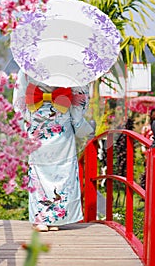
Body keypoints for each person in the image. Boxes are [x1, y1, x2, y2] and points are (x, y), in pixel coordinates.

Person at [12, 70, 94, 232]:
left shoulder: (28, 67)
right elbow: (80, 98)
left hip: (37, 121)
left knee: (39, 169)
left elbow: (20, 96)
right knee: (61, 169)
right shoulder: (71, 67)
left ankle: (45, 218)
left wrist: (26, 121)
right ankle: (52, 217)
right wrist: (78, 123)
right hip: (62, 122)